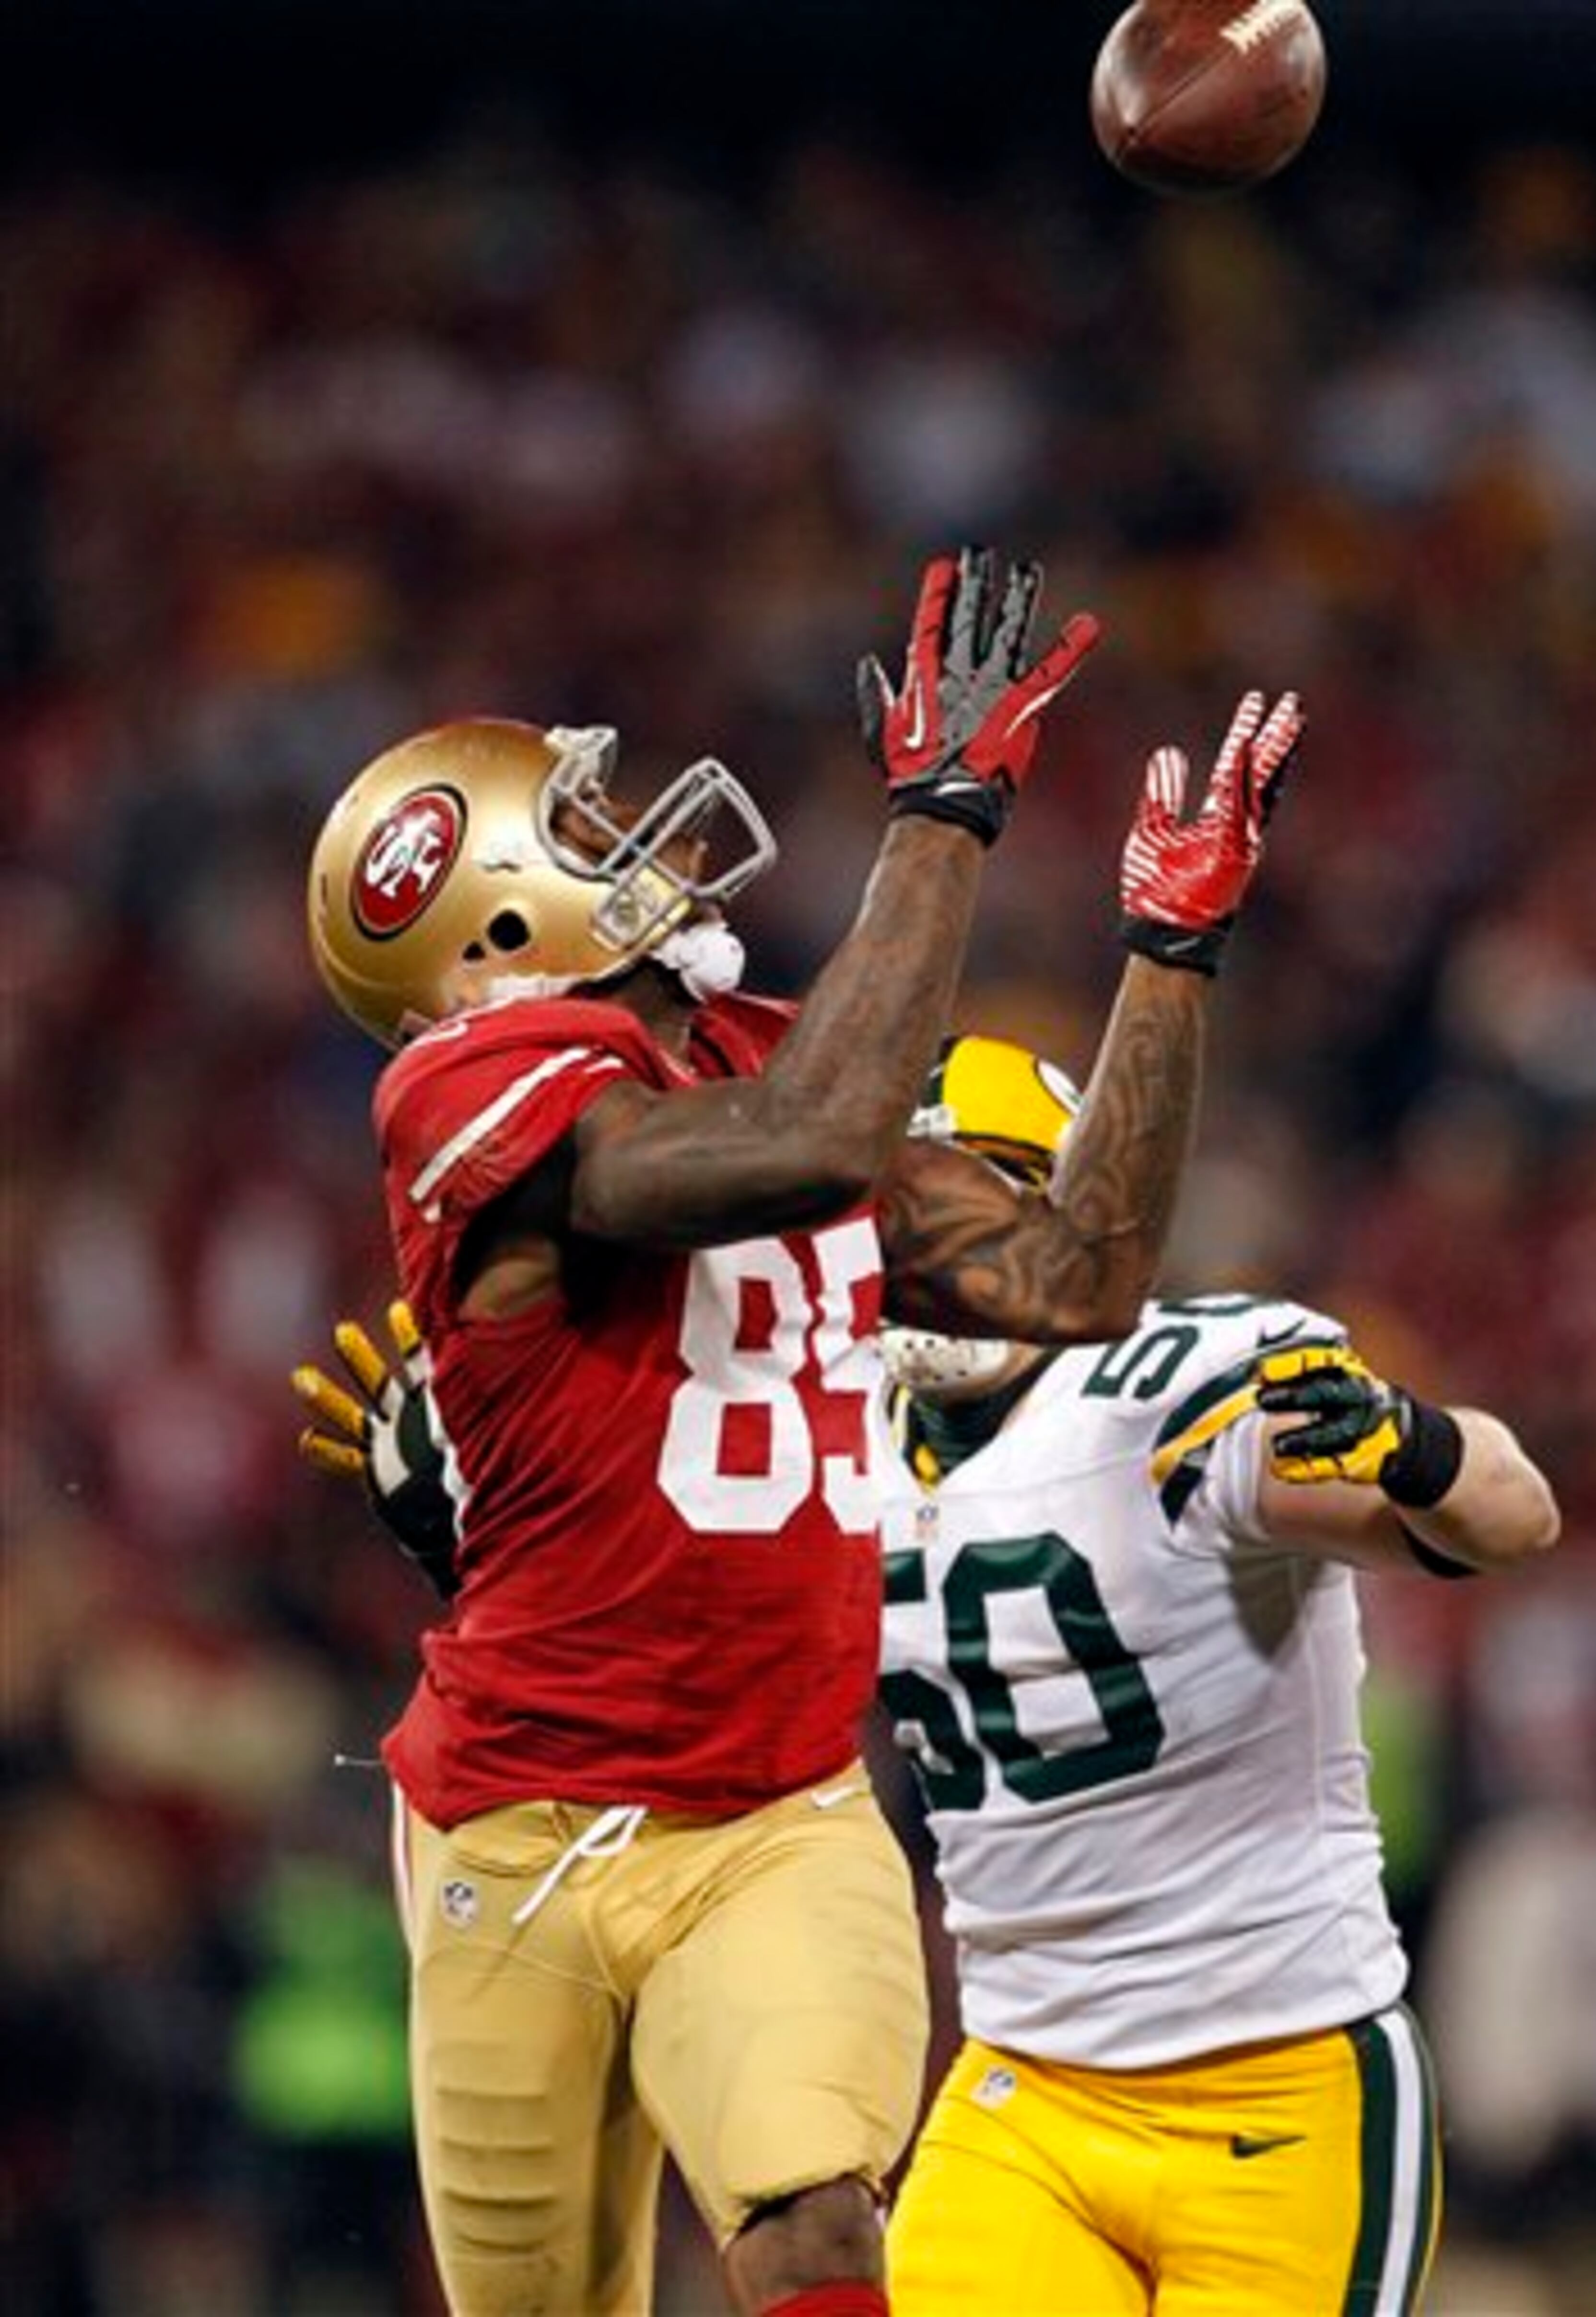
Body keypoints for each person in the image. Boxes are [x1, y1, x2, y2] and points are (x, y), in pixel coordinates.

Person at [293, 542, 1305, 2317]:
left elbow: (1073, 1274)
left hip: (776, 1812)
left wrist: (1170, 956)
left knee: (817, 2229)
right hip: (512, 1825)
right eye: (579, 829)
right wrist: (943, 819)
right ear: (493, 932)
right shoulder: (466, 1084)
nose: (636, 845)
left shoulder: (766, 1053)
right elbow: (811, 1146)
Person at [304, 1030, 1558, 2317]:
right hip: (1028, 2095)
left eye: (989, 1193)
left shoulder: (1181, 1381)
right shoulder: (819, 1433)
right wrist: (491, 1549)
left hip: (1283, 2082)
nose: (940, 1256)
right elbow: (668, 1671)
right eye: (903, 1213)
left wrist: (1418, 1446)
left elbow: (1514, 1518)